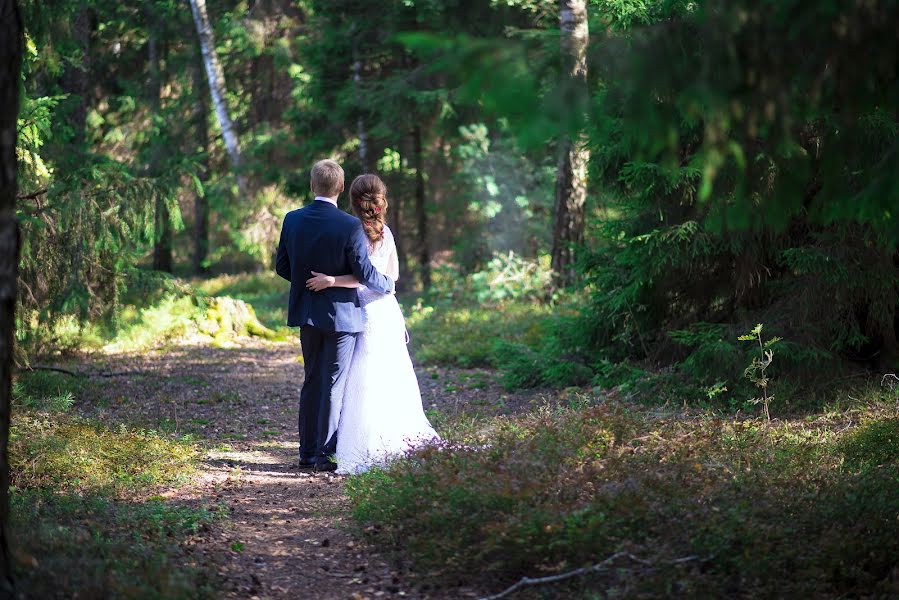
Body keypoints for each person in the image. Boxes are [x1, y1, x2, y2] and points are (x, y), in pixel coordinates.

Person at [305, 174, 438, 475]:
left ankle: (358, 443)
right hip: (385, 310)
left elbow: (362, 275)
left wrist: (331, 281)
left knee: (357, 377)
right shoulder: (386, 233)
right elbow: (390, 279)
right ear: (380, 200)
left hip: (360, 309)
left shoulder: (349, 230)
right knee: (388, 375)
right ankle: (392, 437)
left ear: (351, 199)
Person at [275, 160, 395, 472]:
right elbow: (364, 272)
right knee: (333, 384)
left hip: (307, 312)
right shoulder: (350, 225)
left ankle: (306, 454)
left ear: (312, 185)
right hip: (343, 317)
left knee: (312, 380)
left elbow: (282, 267)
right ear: (341, 188)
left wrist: (309, 284)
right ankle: (324, 456)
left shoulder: (292, 220)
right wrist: (389, 284)